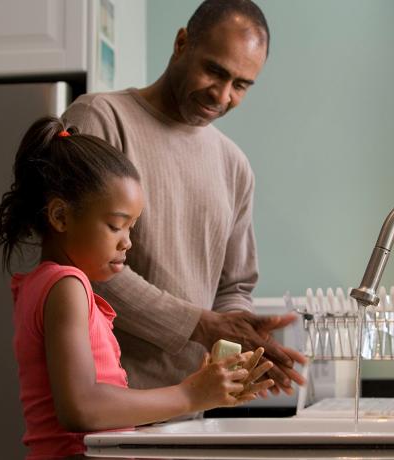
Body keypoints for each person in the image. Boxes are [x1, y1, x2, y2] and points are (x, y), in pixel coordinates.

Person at [62, 0, 306, 396]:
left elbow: (234, 286)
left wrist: (238, 336)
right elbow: (79, 261)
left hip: (191, 407)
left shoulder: (234, 166)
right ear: (181, 44)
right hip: (106, 402)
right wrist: (201, 325)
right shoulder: (100, 119)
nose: (222, 95)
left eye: (241, 85)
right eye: (215, 71)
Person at [0, 117, 274, 459]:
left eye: (132, 227)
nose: (127, 243)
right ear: (61, 217)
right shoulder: (67, 286)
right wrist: (189, 395)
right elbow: (81, 408)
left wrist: (202, 389)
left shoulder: (44, 284)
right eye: (116, 226)